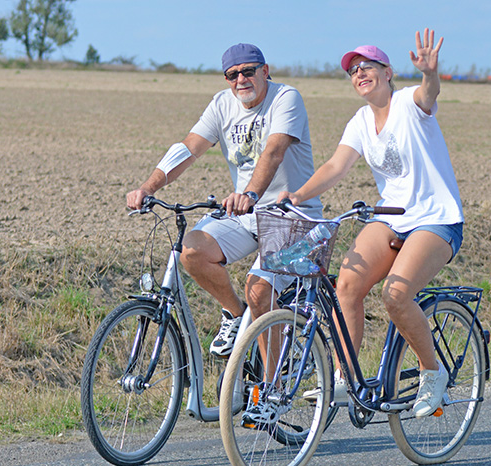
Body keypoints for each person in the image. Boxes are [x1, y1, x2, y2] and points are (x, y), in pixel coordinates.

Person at [279, 29, 464, 418]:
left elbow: (430, 93)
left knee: (395, 296)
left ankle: (433, 372)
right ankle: (346, 379)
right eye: (353, 70)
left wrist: (431, 73)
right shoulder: (361, 120)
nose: (360, 74)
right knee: (346, 285)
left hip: (435, 219)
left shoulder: (409, 102)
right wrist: (296, 196)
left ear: (388, 72)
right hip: (392, 216)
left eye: (368, 67)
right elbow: (335, 166)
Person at [126, 43, 322, 358]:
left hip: (293, 217)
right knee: (191, 251)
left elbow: (273, 152)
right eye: (232, 75)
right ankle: (235, 313)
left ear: (265, 71)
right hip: (247, 215)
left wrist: (250, 193)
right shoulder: (222, 105)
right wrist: (148, 188)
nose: (240, 80)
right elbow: (188, 148)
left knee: (259, 290)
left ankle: (268, 392)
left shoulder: (286, 98)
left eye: (248, 71)